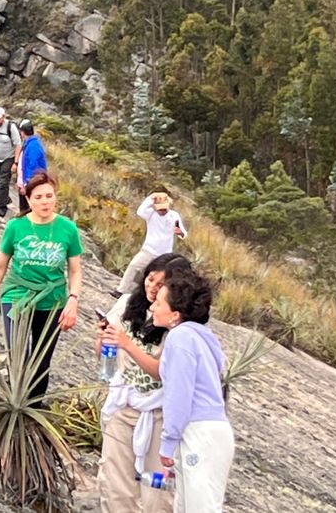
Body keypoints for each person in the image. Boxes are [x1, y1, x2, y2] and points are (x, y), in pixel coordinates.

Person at [97, 253, 195, 513]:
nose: (152, 287)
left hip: (160, 415)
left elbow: (161, 372)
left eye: (161, 284)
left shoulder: (180, 327)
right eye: (150, 279)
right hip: (123, 404)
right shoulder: (128, 304)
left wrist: (127, 343)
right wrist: (105, 337)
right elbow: (104, 352)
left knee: (158, 495)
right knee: (114, 485)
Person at [0, 171, 83, 399]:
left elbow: (75, 270)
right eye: (38, 197)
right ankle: (12, 401)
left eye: (49, 196)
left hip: (52, 299)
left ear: (56, 197)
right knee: (16, 355)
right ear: (28, 199)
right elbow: (0, 266)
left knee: (41, 360)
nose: (44, 201)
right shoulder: (16, 227)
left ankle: (32, 409)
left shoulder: (68, 229)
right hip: (16, 296)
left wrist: (73, 300)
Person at [151, 270, 233, 512]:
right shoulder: (204, 337)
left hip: (200, 434)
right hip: (210, 432)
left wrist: (167, 443)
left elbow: (179, 395)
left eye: (158, 303)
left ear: (175, 314)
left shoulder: (181, 339)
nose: (153, 307)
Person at [114, 193, 187, 298]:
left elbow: (184, 234)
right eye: (159, 208)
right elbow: (140, 211)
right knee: (134, 267)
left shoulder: (174, 216)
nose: (162, 211)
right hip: (149, 249)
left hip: (164, 254)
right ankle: (121, 290)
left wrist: (179, 232)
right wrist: (151, 198)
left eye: (164, 208)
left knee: (159, 277)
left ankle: (154, 298)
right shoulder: (151, 214)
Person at [16, 119, 48, 214]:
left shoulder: (33, 146)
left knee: (28, 209)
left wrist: (27, 185)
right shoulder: (30, 143)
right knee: (25, 209)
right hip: (26, 182)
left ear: (22, 132)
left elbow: (32, 167)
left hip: (32, 184)